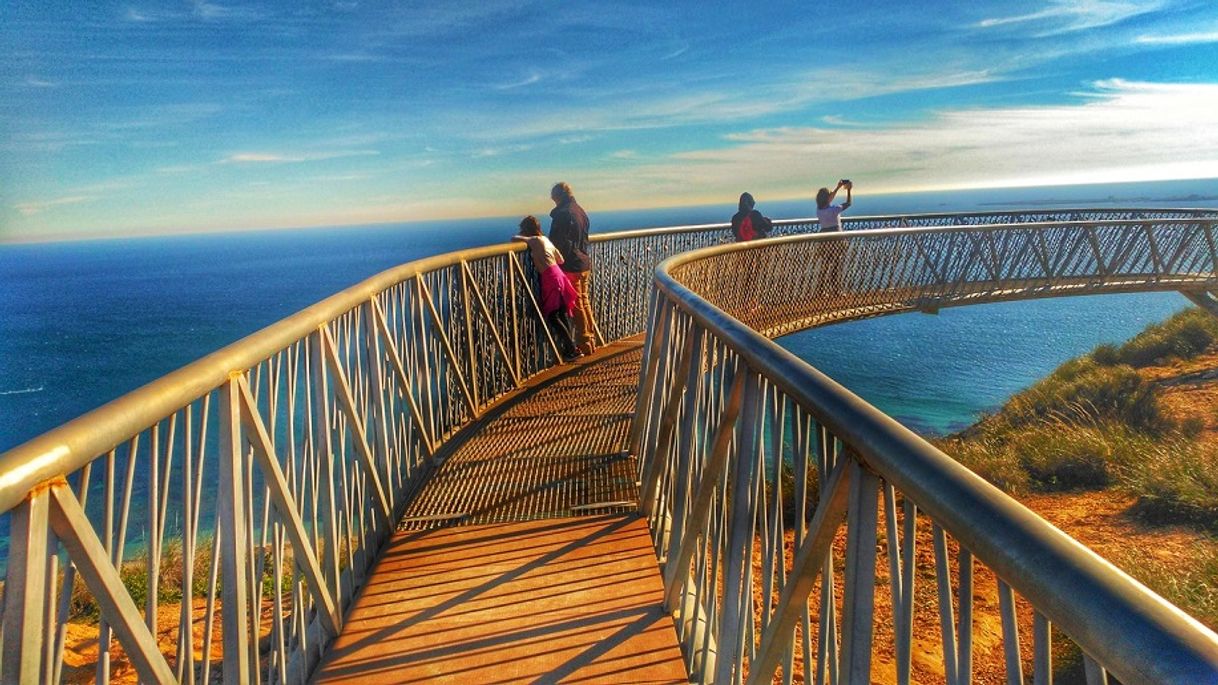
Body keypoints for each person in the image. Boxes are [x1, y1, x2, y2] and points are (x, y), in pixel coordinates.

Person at [513, 215, 580, 361]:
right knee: (561, 313)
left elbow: (516, 238)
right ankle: (572, 348)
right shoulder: (546, 240)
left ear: (527, 229)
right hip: (559, 275)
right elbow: (561, 259)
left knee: (553, 315)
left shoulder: (534, 240)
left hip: (550, 278)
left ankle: (571, 349)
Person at [549, 182, 597, 356]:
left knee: (576, 304)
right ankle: (591, 340)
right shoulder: (580, 211)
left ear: (558, 196)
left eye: (553, 198)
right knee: (583, 301)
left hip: (571, 264)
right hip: (584, 262)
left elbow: (559, 243)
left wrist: (556, 260)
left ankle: (585, 343)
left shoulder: (563, 214)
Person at [815, 179, 853, 292]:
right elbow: (849, 203)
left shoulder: (819, 210)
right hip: (836, 239)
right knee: (836, 265)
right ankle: (836, 289)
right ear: (827, 199)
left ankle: (821, 289)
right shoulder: (834, 209)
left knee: (825, 265)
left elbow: (828, 199)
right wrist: (849, 190)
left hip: (824, 239)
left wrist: (837, 187)